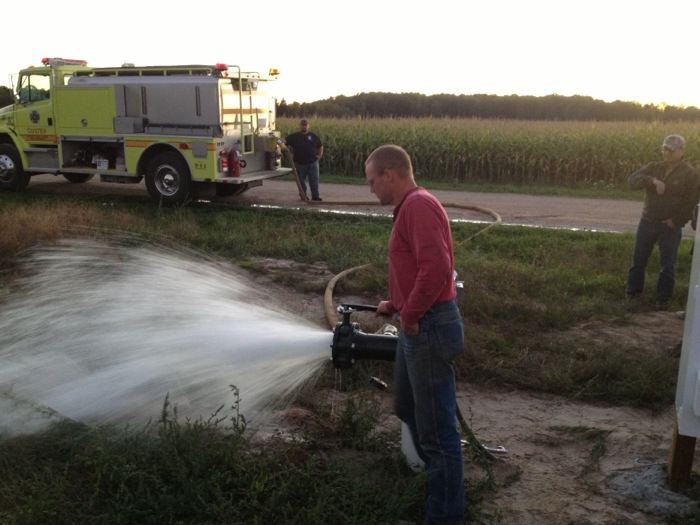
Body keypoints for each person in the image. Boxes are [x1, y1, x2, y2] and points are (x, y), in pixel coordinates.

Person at [365, 144, 465, 524]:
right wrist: (396, 303)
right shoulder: (409, 208)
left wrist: (410, 316)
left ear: (390, 175)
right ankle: (430, 484)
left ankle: (443, 515)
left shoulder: (418, 206)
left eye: (372, 181)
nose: (371, 189)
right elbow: (419, 267)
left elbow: (437, 268)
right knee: (407, 407)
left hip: (428, 327)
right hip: (418, 324)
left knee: (438, 433)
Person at [626, 134, 700, 309]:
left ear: (681, 151)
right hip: (647, 222)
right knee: (638, 261)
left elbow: (693, 201)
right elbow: (632, 181)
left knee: (668, 266)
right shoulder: (654, 167)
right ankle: (632, 295)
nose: (667, 153)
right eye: (665, 149)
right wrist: (652, 180)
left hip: (670, 227)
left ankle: (663, 299)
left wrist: (677, 220)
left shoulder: (690, 174)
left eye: (671, 150)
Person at [283, 118, 324, 201]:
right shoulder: (294, 136)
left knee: (314, 180)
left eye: (305, 125)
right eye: (302, 125)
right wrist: (280, 140)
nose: (304, 127)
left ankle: (315, 196)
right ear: (300, 126)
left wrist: (319, 155)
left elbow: (320, 146)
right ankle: (303, 196)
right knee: (301, 181)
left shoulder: (313, 136)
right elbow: (285, 140)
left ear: (308, 126)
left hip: (313, 162)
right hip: (300, 163)